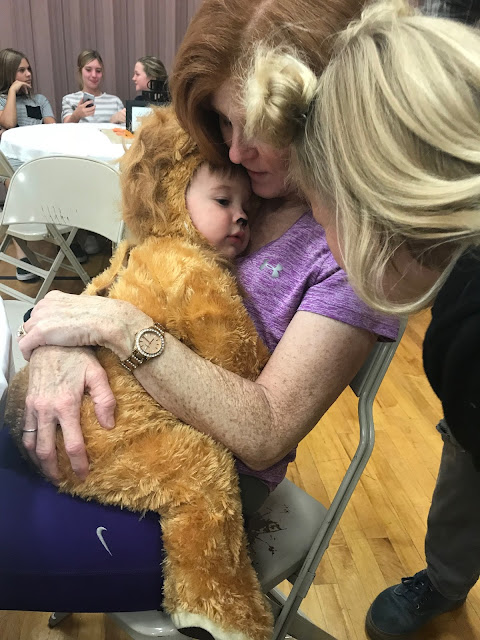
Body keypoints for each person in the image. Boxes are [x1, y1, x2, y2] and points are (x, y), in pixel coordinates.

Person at [0, 0, 397, 617]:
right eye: (221, 122)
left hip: (197, 494)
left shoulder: (350, 246)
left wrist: (119, 327)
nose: (234, 151)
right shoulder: (212, 162)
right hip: (99, 417)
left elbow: (264, 432)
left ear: (319, 111)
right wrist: (62, 343)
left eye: (253, 126)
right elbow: (130, 269)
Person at [241, 1, 480, 638]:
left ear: (371, 212)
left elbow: (265, 429)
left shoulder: (466, 337)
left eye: (321, 216)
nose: (323, 237)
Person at [0, 48, 57, 282]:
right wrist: (13, 92)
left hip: (40, 160)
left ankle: (65, 241)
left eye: (29, 69)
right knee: (18, 189)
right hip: (12, 163)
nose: (28, 74)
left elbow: (53, 129)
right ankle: (22, 255)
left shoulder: (40, 100)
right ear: (8, 73)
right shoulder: (2, 101)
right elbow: (8, 122)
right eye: (21, 70)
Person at [61, 50, 125, 125]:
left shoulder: (115, 101)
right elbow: (65, 128)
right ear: (80, 71)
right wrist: (76, 115)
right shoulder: (69, 100)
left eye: (98, 71)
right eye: (88, 70)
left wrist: (115, 120)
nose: (94, 75)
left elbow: (125, 130)